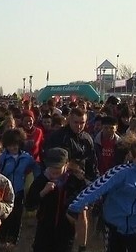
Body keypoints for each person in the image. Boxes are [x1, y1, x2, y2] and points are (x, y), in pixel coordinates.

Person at [67, 138, 136, 252]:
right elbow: (97, 188)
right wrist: (76, 206)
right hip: (114, 229)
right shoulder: (121, 172)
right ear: (133, 157)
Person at [43, 107, 98, 252]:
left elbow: (92, 162)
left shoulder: (87, 138)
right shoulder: (58, 137)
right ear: (69, 120)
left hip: (81, 182)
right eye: (76, 122)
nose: (79, 126)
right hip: (60, 182)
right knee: (58, 219)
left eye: (82, 122)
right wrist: (71, 168)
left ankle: (81, 247)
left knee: (82, 212)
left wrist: (93, 180)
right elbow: (50, 158)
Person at [26, 147, 86, 252]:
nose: (54, 170)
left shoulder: (75, 182)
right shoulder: (41, 180)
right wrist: (43, 192)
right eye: (51, 166)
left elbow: (86, 206)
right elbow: (29, 205)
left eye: (58, 167)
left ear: (66, 164)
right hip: (44, 233)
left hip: (65, 234)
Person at [0, 128, 41, 245]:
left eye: (15, 144)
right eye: (10, 145)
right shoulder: (2, 158)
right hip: (4, 192)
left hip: (18, 191)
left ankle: (13, 240)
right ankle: (2, 239)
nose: (13, 148)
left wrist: (38, 180)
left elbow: (36, 168)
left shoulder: (26, 158)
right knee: (4, 216)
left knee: (17, 217)